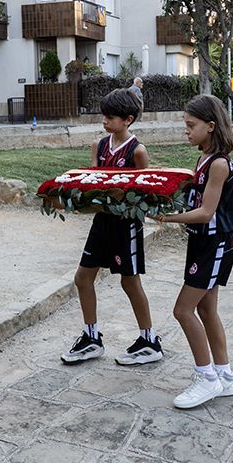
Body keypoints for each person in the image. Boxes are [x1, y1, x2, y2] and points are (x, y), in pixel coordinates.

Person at [61, 89, 161, 366]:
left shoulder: (137, 150)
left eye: (111, 117)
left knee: (130, 282)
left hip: (126, 225)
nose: (105, 121)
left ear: (128, 120)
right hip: (102, 221)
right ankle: (91, 337)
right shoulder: (100, 145)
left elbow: (144, 191)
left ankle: (149, 340)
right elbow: (95, 180)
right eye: (103, 116)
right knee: (83, 278)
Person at [155, 95, 233, 408]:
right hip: (202, 242)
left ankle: (206, 378)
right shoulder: (204, 157)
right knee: (205, 310)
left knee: (182, 310)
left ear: (211, 126)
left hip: (214, 244)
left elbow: (206, 212)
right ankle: (225, 376)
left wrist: (166, 217)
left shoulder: (218, 163)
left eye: (191, 125)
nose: (186, 131)